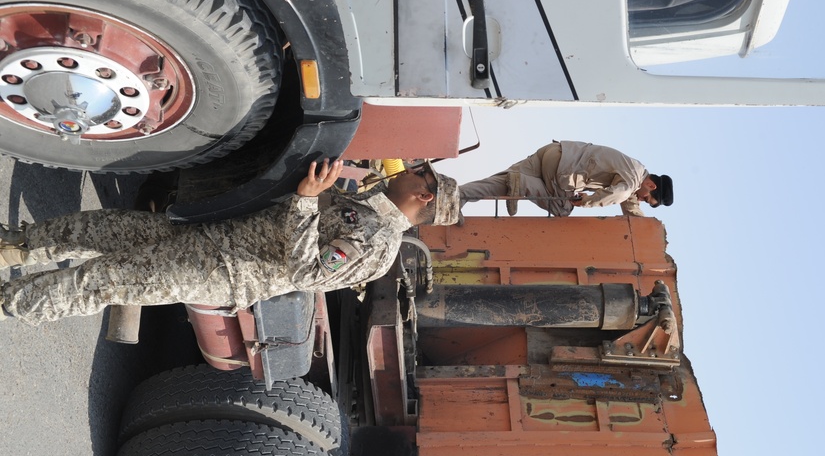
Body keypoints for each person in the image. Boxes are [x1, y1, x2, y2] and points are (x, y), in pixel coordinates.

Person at [0, 159, 460, 325]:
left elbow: (307, 273)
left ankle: (11, 302)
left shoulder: (378, 246)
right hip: (212, 235)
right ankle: (14, 248)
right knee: (105, 230)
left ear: (424, 196)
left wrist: (304, 202)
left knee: (103, 280)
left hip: (221, 269)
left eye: (422, 173)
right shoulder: (369, 203)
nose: (413, 168)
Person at [459, 140, 672, 216]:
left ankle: (458, 195)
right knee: (563, 208)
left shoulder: (635, 170)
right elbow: (620, 193)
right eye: (647, 198)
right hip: (563, 170)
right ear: (651, 185)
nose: (642, 199)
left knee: (500, 184)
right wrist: (585, 202)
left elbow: (629, 201)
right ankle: (522, 184)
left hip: (554, 152)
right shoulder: (631, 183)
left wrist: (640, 222)